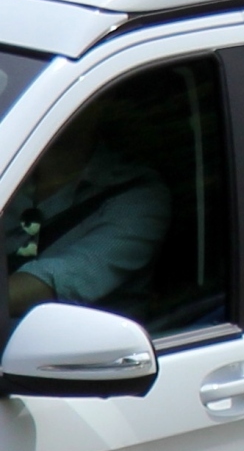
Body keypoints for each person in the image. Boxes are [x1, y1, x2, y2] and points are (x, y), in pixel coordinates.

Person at [5, 100, 168, 321]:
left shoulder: (139, 198)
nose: (46, 110)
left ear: (98, 107)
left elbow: (56, 279)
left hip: (83, 351)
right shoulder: (9, 173)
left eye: (62, 101)